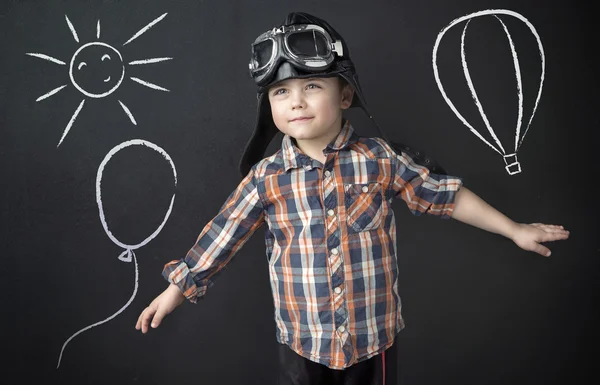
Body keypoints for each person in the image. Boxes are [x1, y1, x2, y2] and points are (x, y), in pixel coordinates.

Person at [135, 12, 569, 385]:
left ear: (344, 94)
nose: (296, 102)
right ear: (269, 107)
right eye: (280, 93)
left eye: (312, 87)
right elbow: (223, 235)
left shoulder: (380, 159)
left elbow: (446, 197)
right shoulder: (265, 178)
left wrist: (515, 229)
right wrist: (176, 291)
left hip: (373, 339)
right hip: (303, 342)